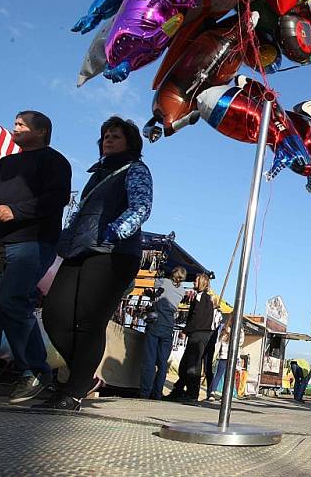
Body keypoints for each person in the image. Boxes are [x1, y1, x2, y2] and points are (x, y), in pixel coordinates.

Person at [38, 118, 151, 411]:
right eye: (104, 136)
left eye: (115, 136)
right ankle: (83, 377)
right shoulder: (97, 174)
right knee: (54, 315)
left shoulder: (135, 169)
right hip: (79, 250)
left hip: (114, 252)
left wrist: (118, 230)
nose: (108, 140)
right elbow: (79, 215)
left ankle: (73, 390)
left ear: (130, 142)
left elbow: (141, 206)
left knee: (89, 321)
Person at [0, 111, 71, 405]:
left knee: (12, 299)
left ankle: (36, 370)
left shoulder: (55, 161)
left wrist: (15, 211)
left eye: (23, 124)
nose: (16, 127)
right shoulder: (5, 164)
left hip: (34, 242)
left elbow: (56, 198)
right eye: (16, 123)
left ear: (42, 131)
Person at [164, 273, 216, 402]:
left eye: (196, 280)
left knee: (192, 365)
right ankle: (179, 389)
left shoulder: (202, 298)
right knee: (186, 364)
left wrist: (186, 330)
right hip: (200, 335)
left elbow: (196, 317)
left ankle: (192, 393)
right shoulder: (206, 299)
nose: (193, 282)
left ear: (202, 282)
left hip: (198, 335)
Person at [139, 266, 187, 400]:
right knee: (162, 363)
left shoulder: (164, 282)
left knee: (149, 360)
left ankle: (145, 393)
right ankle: (157, 393)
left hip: (156, 323)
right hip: (169, 327)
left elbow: (152, 281)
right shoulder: (182, 291)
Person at [208, 316, 244, 401]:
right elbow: (241, 342)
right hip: (233, 356)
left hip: (223, 355)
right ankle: (225, 395)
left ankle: (212, 392)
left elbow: (219, 341)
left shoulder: (224, 328)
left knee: (218, 375)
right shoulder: (240, 330)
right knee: (229, 376)